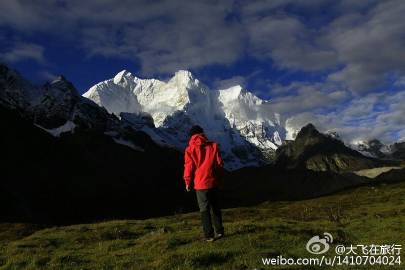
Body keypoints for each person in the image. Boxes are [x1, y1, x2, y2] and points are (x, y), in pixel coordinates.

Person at [183, 125, 225, 242]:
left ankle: (209, 235)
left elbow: (189, 167)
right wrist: (220, 179)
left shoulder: (189, 150)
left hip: (200, 184)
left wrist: (187, 181)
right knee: (216, 207)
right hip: (213, 181)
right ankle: (220, 231)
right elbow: (220, 165)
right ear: (202, 134)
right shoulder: (213, 146)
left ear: (191, 136)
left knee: (204, 209)